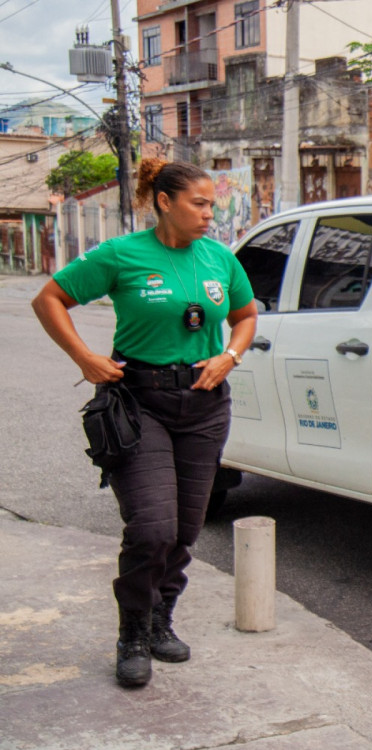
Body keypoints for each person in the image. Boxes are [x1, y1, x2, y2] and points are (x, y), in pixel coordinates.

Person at [31, 158, 257, 688]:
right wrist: (84, 358)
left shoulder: (220, 258)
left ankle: (161, 620)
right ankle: (131, 632)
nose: (210, 214)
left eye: (212, 205)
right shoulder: (121, 254)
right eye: (199, 204)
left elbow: (246, 316)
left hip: (204, 406)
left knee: (184, 529)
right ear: (164, 201)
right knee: (151, 527)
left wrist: (231, 355)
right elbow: (50, 299)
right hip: (140, 404)